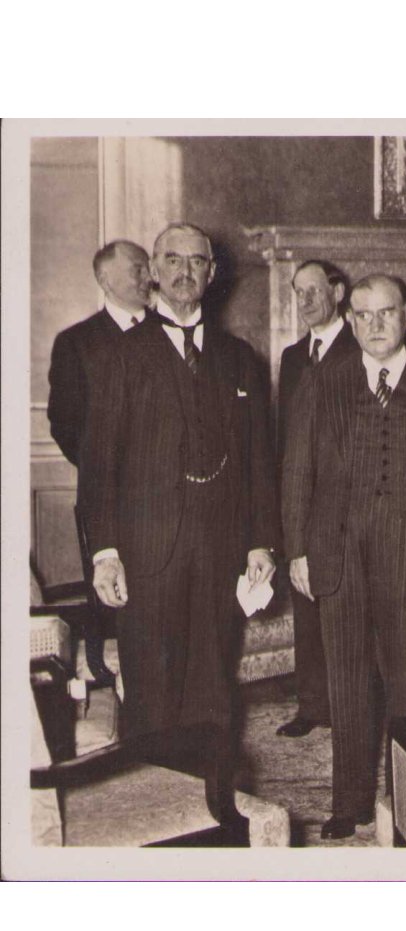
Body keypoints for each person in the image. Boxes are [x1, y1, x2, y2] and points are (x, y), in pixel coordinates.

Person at [283, 274, 406, 839]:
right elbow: (296, 472)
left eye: (386, 313)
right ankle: (350, 803)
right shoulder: (322, 382)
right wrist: (296, 550)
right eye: (363, 315)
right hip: (338, 554)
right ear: (350, 321)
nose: (374, 325)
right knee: (345, 682)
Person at [80, 223, 279, 747]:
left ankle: (212, 793)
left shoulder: (240, 359)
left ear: (212, 274)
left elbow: (259, 460)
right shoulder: (119, 356)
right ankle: (160, 792)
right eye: (173, 259)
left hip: (220, 550)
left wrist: (262, 541)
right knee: (151, 692)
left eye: (196, 261)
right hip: (146, 553)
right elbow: (98, 465)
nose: (185, 271)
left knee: (213, 690)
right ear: (153, 270)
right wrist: (105, 554)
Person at [274, 260, 357, 739]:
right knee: (306, 604)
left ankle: (351, 706)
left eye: (313, 290)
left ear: (338, 292)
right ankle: (311, 705)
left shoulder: (361, 347)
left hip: (347, 503)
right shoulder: (292, 358)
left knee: (349, 610)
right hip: (302, 499)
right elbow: (284, 436)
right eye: (297, 292)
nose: (304, 301)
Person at [48, 240, 154, 466]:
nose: (149, 278)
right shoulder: (74, 343)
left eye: (149, 268)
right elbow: (64, 422)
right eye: (138, 270)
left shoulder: (171, 333)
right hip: (104, 483)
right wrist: (102, 470)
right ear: (105, 281)